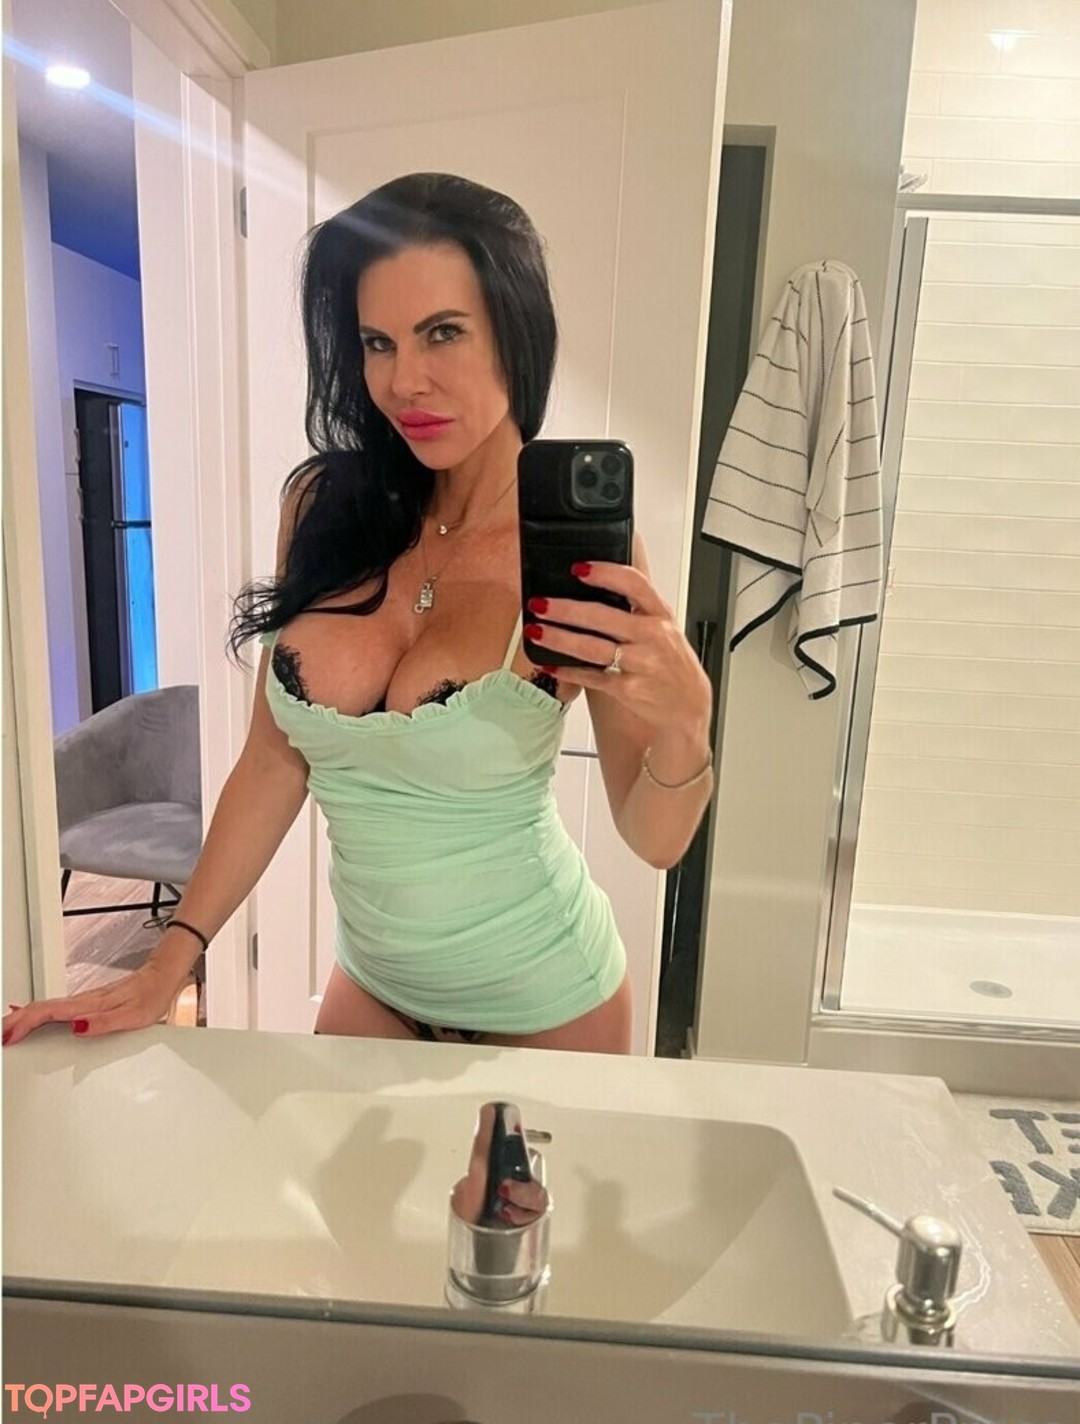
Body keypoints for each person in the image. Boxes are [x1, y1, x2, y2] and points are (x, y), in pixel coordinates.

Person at [3, 173, 713, 1056]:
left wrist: (687, 723)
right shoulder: (322, 507)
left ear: (516, 335)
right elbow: (273, 760)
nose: (404, 380)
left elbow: (652, 837)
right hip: (373, 989)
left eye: (443, 332)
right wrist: (169, 961)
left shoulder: (574, 553)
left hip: (551, 1001)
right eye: (378, 342)